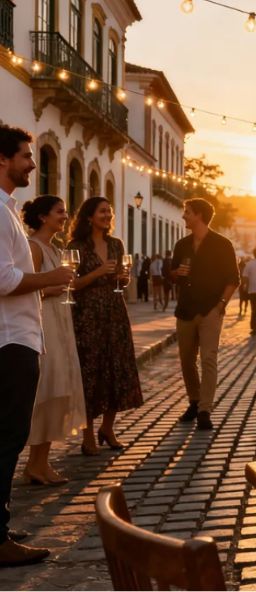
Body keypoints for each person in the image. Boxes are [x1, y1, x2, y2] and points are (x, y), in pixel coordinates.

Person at [0, 125, 74, 566]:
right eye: (26, 156)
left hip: (17, 336)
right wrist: (52, 277)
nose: (33, 163)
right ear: (3, 159)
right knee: (8, 438)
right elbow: (3, 279)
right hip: (10, 340)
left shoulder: (7, 209)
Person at [67, 197, 143, 454]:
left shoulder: (116, 244)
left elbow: (123, 280)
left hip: (114, 312)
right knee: (90, 371)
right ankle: (87, 434)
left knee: (117, 368)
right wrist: (97, 273)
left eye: (109, 212)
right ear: (89, 216)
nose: (108, 215)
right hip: (87, 316)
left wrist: (124, 277)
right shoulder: (76, 246)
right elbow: (71, 284)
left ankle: (108, 428)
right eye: (102, 211)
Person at [22, 195, 87, 485]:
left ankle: (41, 462)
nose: (65, 216)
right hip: (43, 323)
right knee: (46, 391)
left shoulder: (55, 248)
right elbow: (23, 288)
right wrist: (52, 288)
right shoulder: (33, 248)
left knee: (58, 389)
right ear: (43, 217)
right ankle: (34, 464)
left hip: (60, 321)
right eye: (59, 212)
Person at [170, 198, 240, 431]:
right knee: (186, 360)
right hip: (185, 309)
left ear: (199, 215)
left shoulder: (223, 244)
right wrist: (177, 273)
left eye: (187, 212)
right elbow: (172, 273)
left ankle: (205, 410)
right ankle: (194, 400)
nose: (184, 216)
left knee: (208, 359)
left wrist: (221, 305)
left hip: (211, 309)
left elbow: (234, 279)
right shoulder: (182, 245)